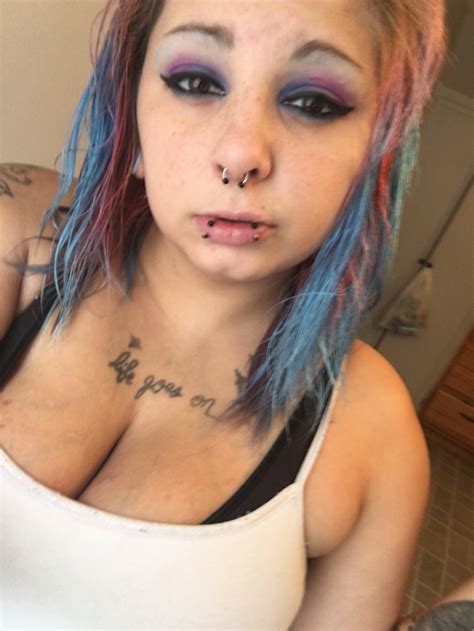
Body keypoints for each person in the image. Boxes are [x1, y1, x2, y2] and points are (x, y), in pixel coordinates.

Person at [0, 0, 447, 629]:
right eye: (195, 82)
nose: (240, 155)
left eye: (313, 102)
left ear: (378, 150)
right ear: (132, 112)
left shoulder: (376, 435)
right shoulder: (18, 233)